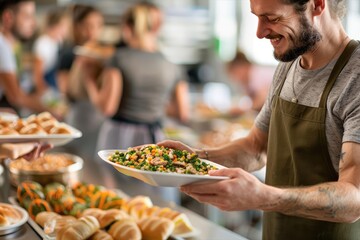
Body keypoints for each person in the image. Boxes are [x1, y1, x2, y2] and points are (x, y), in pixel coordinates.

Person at [159, 0, 360, 239]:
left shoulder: (354, 78)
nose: (259, 32)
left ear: (316, 5)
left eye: (272, 19)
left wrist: (264, 197)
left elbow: (354, 197)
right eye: (256, 17)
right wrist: (193, 160)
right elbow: (255, 149)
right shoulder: (288, 66)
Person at [84, 2, 189, 203]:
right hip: (154, 138)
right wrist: (152, 104)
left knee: (116, 198)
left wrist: (89, 78)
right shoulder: (171, 65)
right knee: (153, 202)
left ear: (127, 27)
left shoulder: (119, 59)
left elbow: (107, 107)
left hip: (119, 136)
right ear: (154, 27)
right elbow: (182, 112)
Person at [0, 0, 44, 113]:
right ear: (8, 17)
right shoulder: (2, 45)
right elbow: (16, 97)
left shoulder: (7, 46)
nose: (33, 23)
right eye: (27, 16)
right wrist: (51, 110)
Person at [32, 7, 70, 93]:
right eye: (64, 26)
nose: (66, 30)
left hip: (53, 83)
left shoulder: (58, 42)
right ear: (55, 26)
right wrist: (47, 95)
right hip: (44, 84)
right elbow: (37, 77)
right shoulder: (43, 43)